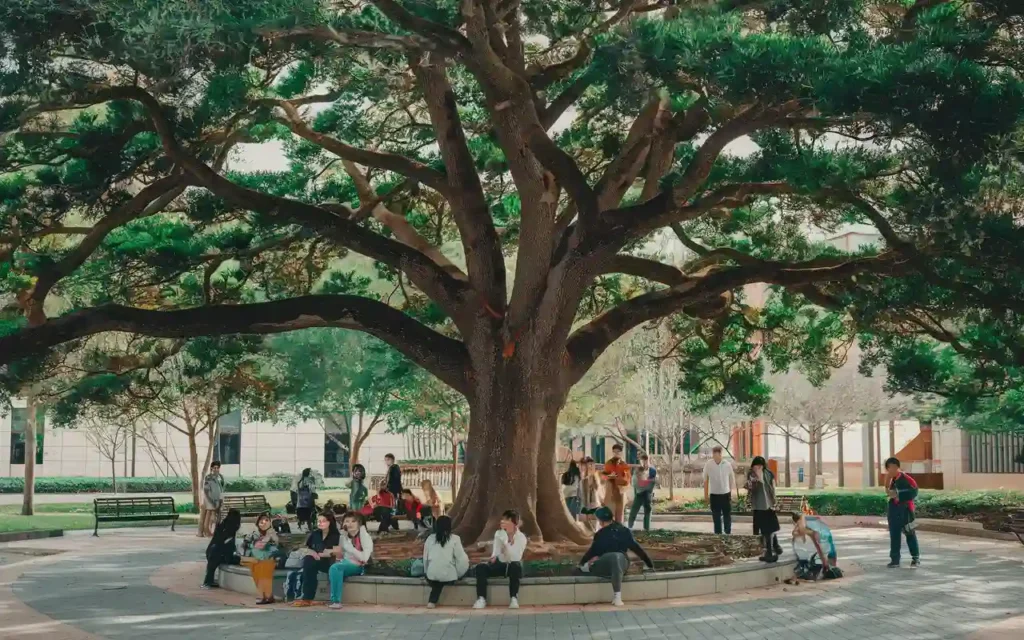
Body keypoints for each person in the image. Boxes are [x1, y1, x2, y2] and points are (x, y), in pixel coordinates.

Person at [579, 506, 654, 606]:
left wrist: (581, 563)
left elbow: (592, 551)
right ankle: (617, 597)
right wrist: (649, 564)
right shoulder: (625, 531)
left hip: (612, 562)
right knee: (616, 558)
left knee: (614, 557)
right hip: (621, 564)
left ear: (600, 521)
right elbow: (637, 549)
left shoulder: (600, 534)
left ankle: (617, 596)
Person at [472, 509, 527, 610]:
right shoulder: (499, 533)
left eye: (507, 521)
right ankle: (481, 598)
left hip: (511, 566)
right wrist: (493, 557)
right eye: (503, 520)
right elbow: (496, 551)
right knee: (481, 567)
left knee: (516, 566)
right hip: (499, 564)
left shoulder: (521, 538)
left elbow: (515, 557)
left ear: (515, 523)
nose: (504, 523)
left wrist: (506, 544)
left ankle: (514, 598)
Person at [292, 513, 341, 607]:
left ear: (330, 522)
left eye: (323, 521)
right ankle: (307, 597)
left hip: (331, 562)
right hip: (316, 561)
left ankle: (307, 597)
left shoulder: (336, 535)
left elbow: (337, 552)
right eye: (319, 521)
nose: (320, 523)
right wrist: (312, 553)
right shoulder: (315, 534)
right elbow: (307, 548)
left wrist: (323, 554)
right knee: (308, 560)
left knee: (310, 563)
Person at [327, 512, 374, 609]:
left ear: (359, 523)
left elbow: (364, 558)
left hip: (359, 566)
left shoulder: (365, 536)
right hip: (344, 563)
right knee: (335, 567)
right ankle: (335, 599)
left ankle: (336, 601)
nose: (350, 524)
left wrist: (350, 548)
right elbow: (339, 555)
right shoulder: (343, 536)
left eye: (353, 521)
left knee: (336, 568)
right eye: (347, 521)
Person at [423, 515, 470, 608]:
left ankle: (432, 601)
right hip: (449, 576)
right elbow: (462, 560)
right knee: (446, 574)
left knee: (437, 580)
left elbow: (425, 559)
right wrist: (459, 574)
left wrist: (426, 572)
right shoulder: (455, 539)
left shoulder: (429, 539)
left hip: (431, 575)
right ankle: (432, 600)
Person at [884, 457, 921, 568]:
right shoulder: (891, 479)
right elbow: (888, 492)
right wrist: (887, 482)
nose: (892, 470)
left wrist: (899, 494)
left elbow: (914, 491)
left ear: (898, 467)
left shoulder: (906, 478)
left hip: (905, 509)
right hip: (894, 509)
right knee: (894, 534)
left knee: (909, 533)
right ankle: (895, 560)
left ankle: (915, 558)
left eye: (894, 467)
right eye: (890, 468)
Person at [746, 456, 782, 562]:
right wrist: (756, 478)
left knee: (770, 529)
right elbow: (751, 487)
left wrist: (774, 502)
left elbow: (772, 487)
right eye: (756, 466)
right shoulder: (751, 474)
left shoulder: (768, 474)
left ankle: (771, 551)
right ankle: (771, 549)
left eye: (760, 466)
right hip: (758, 506)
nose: (758, 468)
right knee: (765, 530)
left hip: (768, 505)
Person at [240, 513, 280, 605]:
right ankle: (268, 595)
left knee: (263, 567)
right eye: (262, 521)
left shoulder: (273, 534)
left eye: (267, 521)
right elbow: (248, 546)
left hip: (270, 559)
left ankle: (263, 595)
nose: (264, 523)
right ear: (258, 523)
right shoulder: (253, 535)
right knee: (257, 566)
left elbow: (277, 545)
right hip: (254, 559)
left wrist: (269, 535)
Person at [789, 512, 838, 581]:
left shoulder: (809, 529)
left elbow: (819, 546)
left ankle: (822, 569)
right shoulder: (810, 524)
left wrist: (824, 561)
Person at [202, 508, 241, 588]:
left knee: (211, 566)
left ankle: (208, 581)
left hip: (210, 552)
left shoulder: (222, 525)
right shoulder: (231, 529)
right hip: (218, 554)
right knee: (238, 559)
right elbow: (228, 548)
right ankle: (208, 582)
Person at [703, 445, 736, 535]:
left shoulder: (727, 464)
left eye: (719, 454)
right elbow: (705, 480)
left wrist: (731, 493)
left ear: (721, 455)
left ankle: (727, 533)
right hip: (714, 495)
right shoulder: (708, 464)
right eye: (715, 454)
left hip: (725, 494)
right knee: (716, 517)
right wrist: (706, 496)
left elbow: (731, 479)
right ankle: (718, 535)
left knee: (727, 516)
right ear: (713, 455)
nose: (717, 457)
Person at [602, 444, 632, 523]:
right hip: (610, 491)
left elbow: (627, 480)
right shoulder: (608, 463)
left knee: (619, 514)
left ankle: (619, 530)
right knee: (609, 513)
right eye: (614, 452)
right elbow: (603, 476)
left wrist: (616, 478)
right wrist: (609, 476)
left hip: (620, 492)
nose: (616, 453)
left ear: (621, 453)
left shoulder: (624, 465)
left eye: (618, 452)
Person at [628, 454, 657, 531]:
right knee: (634, 510)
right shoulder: (637, 470)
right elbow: (635, 483)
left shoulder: (652, 470)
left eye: (645, 461)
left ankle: (646, 528)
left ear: (648, 461)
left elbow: (652, 482)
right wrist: (645, 482)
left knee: (647, 510)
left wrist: (645, 483)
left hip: (647, 493)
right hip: (639, 493)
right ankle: (629, 526)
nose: (644, 463)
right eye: (642, 461)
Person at [199, 461, 224, 538]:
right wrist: (210, 500)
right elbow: (206, 490)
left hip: (217, 499)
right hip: (210, 499)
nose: (216, 469)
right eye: (214, 468)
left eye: (217, 468)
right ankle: (207, 531)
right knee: (209, 515)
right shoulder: (209, 477)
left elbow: (221, 488)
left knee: (215, 516)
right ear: (211, 468)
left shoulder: (219, 478)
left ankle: (212, 531)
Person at [579, 457, 602, 532]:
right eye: (587, 465)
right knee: (585, 527)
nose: (590, 466)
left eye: (592, 465)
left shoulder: (594, 477)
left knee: (593, 527)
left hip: (593, 505)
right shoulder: (581, 477)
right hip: (583, 505)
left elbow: (596, 489)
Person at [294, 468, 317, 532]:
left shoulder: (302, 484)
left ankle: (307, 529)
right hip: (304, 505)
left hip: (302, 505)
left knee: (305, 518)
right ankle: (308, 529)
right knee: (307, 518)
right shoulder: (305, 484)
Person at [384, 454, 402, 531]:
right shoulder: (392, 468)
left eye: (387, 460)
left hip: (393, 492)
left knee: (392, 508)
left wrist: (397, 492)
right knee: (391, 508)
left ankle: (393, 524)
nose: (386, 462)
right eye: (385, 460)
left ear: (392, 460)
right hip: (392, 492)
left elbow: (395, 481)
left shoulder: (394, 468)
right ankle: (392, 524)